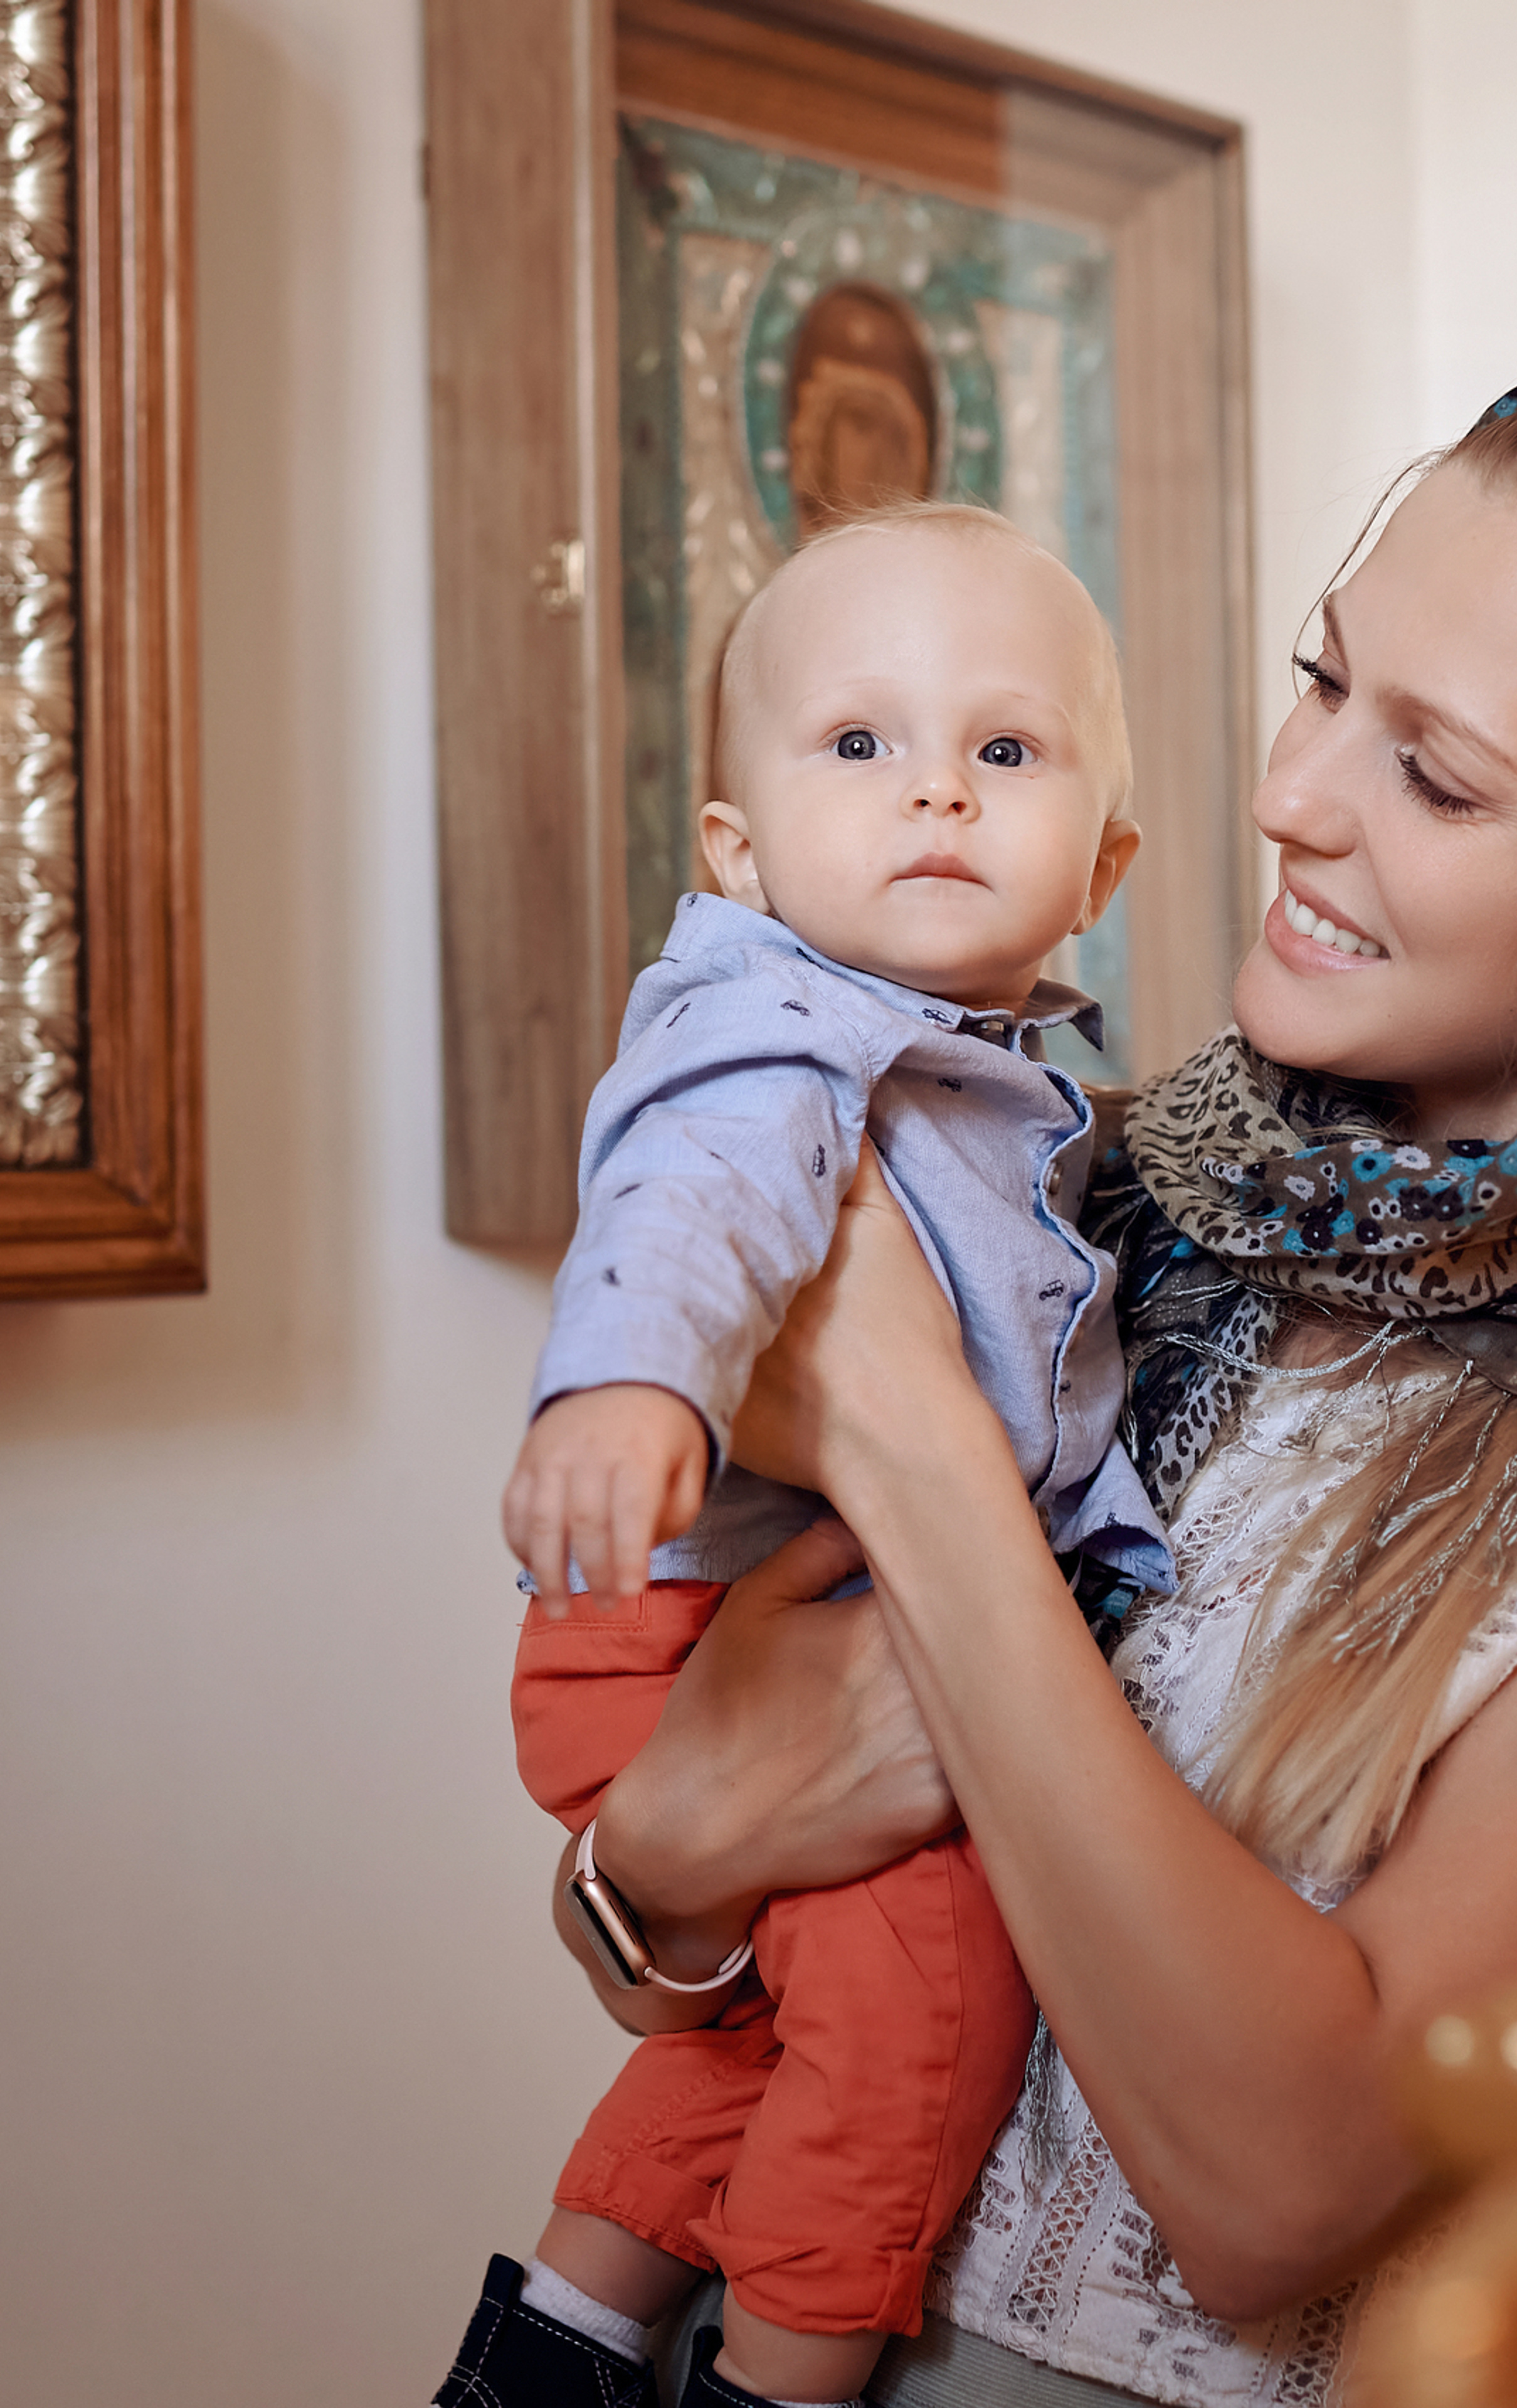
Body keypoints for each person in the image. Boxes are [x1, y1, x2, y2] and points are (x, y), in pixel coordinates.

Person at [440, 356, 1517, 2408]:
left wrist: (909, 1443)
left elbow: (1274, 2188)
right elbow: (668, 1947)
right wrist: (678, 1849)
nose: (1294, 797)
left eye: (1434, 775)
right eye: (1325, 682)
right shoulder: (1093, 1188)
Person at [437, 508, 1171, 2408]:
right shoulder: (786, 1029)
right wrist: (637, 1389)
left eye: (1002, 753)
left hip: (713, 1655)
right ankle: (783, 2385)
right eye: (860, 746)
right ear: (739, 856)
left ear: (1100, 863)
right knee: (932, 2011)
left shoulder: (1005, 1083)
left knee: (758, 2036)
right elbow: (695, 1202)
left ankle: (570, 2336)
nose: (934, 788)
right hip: (703, 1628)